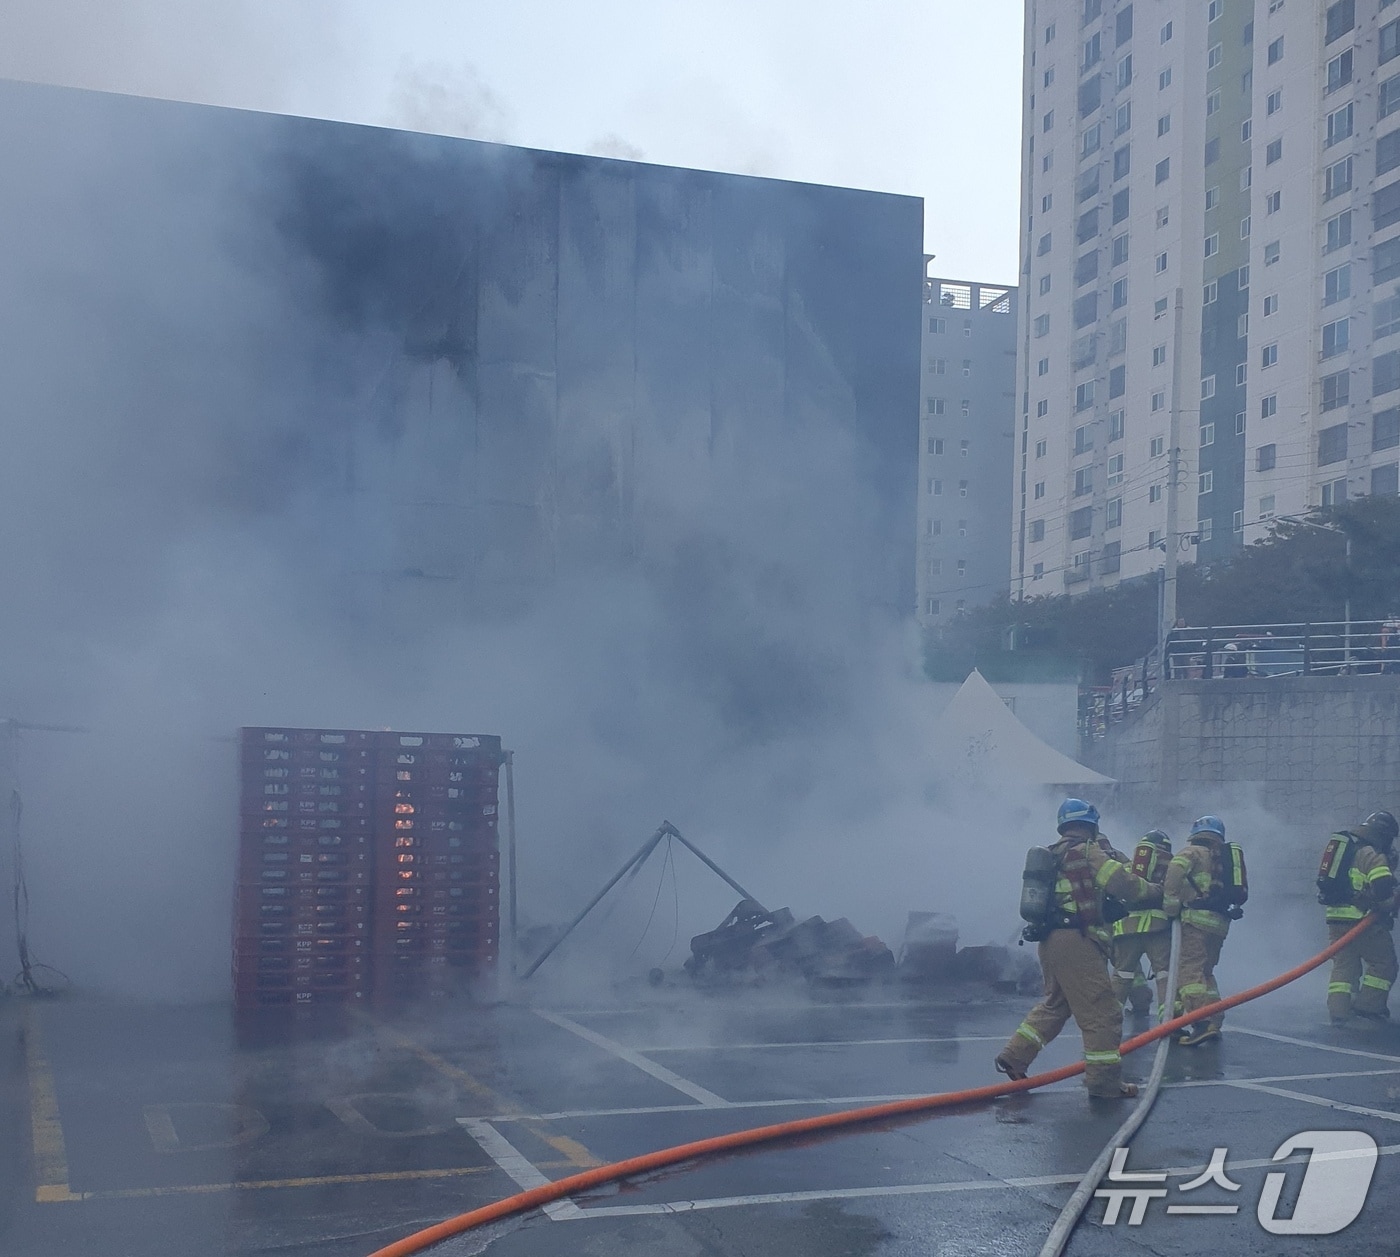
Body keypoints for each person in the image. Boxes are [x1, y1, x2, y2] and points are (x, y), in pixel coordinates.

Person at [995, 799, 1164, 1100]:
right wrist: (1155, 893)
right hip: (1077, 940)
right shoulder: (1087, 851)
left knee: (1056, 1004)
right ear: (1092, 825)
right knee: (1104, 1011)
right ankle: (1103, 1083)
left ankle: (1014, 1057)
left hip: (1051, 941)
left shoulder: (1052, 854)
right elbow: (1123, 884)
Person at [1322, 811, 1399, 1025]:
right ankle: (1368, 1007)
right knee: (1384, 964)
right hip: (1362, 921)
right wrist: (1390, 900)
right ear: (1383, 835)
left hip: (1336, 920)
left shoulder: (1349, 850)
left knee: (1344, 967)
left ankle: (1339, 1012)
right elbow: (1383, 886)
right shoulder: (1371, 853)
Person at [1163, 816, 1233, 1047]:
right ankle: (1215, 1020)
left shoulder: (1192, 852)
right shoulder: (1223, 857)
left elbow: (1174, 870)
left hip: (1195, 922)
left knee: (1189, 973)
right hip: (1220, 925)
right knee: (1206, 972)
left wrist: (1171, 904)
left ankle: (1201, 1023)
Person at [1110, 830, 1174, 1020]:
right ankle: (1168, 1019)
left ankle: (1109, 1020)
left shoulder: (1131, 866)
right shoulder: (1172, 865)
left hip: (1127, 931)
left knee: (1121, 975)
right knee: (1164, 975)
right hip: (1157, 929)